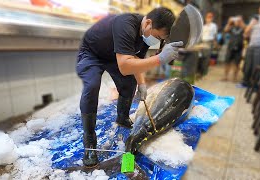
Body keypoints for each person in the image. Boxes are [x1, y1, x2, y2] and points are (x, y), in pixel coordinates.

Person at [76, 7, 183, 167]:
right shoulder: (125, 24)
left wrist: (141, 84)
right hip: (93, 52)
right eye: (157, 36)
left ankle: (122, 116)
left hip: (115, 56)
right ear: (148, 23)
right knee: (92, 85)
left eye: (161, 39)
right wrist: (160, 59)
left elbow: (136, 62)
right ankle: (90, 141)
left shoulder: (145, 34)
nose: (157, 41)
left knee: (129, 82)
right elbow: (126, 66)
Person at [223, 16, 246, 81]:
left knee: (237, 63)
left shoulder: (242, 27)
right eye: (236, 20)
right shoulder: (231, 27)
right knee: (227, 62)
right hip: (230, 47)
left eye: (238, 20)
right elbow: (225, 30)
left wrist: (241, 22)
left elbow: (246, 29)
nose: (237, 21)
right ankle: (225, 76)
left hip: (239, 47)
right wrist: (229, 22)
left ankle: (235, 77)